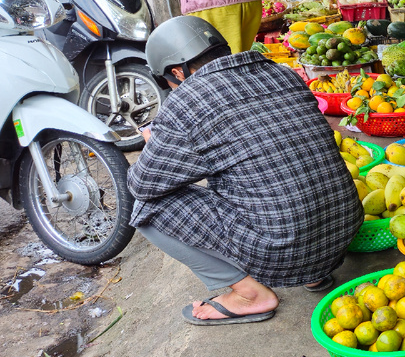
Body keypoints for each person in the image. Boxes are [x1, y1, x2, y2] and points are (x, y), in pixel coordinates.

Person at [129, 16, 363, 325]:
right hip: (343, 228)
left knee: (145, 208)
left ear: (177, 72)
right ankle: (316, 275)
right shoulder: (281, 73)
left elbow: (142, 184)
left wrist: (154, 144)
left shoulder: (186, 100)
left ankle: (249, 294)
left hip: (285, 245)